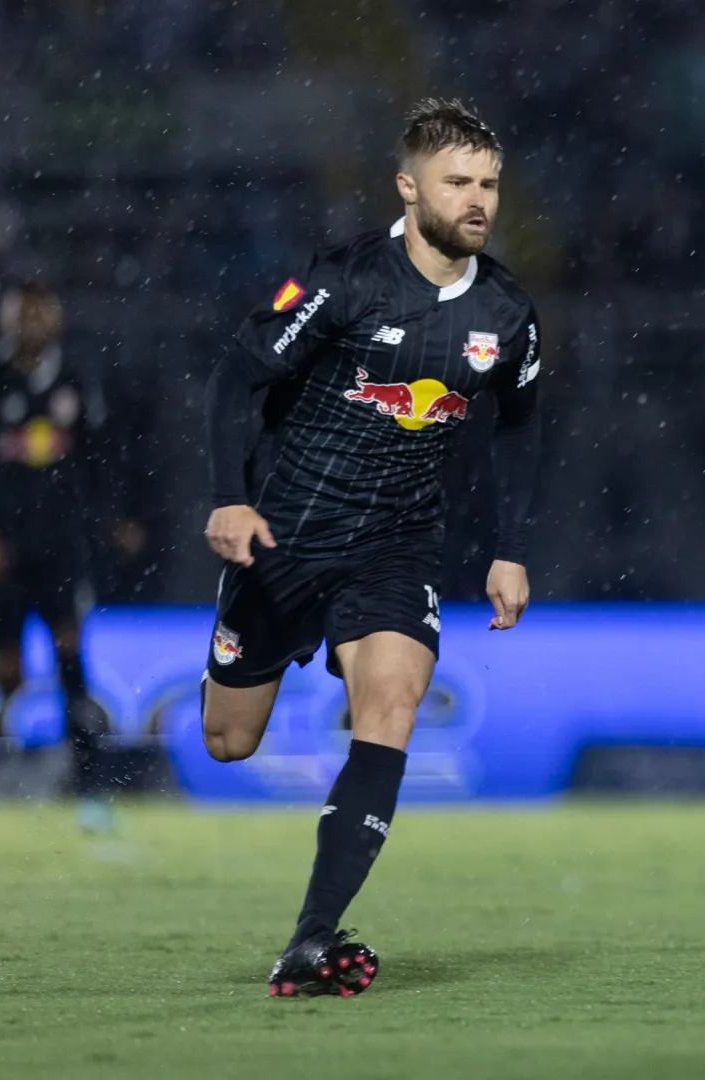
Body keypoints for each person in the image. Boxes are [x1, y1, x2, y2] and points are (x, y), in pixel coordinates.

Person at [200, 99, 542, 998]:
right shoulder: (343, 281)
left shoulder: (506, 313)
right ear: (408, 187)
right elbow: (237, 374)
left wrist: (509, 548)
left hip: (395, 547)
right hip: (284, 542)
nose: (477, 200)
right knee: (228, 741)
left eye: (489, 185)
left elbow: (518, 426)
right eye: (457, 182)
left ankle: (311, 940)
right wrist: (230, 499)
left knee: (391, 703)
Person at [0, 281, 131, 832]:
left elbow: (101, 457)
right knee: (10, 673)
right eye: (22, 314)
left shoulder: (76, 381)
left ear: (56, 320)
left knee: (71, 659)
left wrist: (115, 518)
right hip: (2, 551)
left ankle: (91, 789)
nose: (31, 324)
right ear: (7, 320)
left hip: (61, 548)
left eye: (40, 314)